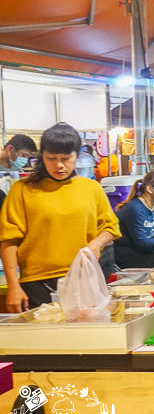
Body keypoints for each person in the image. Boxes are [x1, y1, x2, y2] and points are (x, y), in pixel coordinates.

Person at [0, 123, 120, 312]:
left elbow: (110, 227)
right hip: (37, 285)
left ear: (77, 157)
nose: (59, 165)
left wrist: (95, 244)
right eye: (51, 158)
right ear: (42, 157)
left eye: (66, 158)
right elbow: (8, 240)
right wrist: (13, 285)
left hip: (84, 280)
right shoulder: (22, 190)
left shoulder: (91, 188)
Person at [114, 172, 154, 269]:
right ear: (149, 189)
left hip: (148, 252)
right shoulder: (134, 208)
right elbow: (142, 244)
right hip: (131, 257)